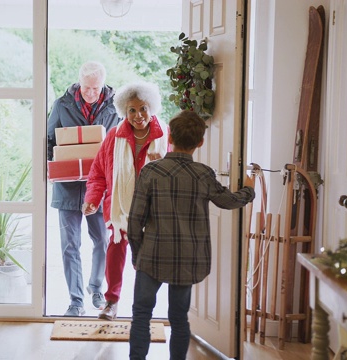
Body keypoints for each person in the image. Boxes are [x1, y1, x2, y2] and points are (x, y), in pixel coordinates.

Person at [127, 110, 256, 360]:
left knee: (141, 313)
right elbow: (228, 201)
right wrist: (248, 190)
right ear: (200, 142)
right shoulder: (203, 174)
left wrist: (137, 253)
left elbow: (135, 220)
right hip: (188, 257)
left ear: (170, 137)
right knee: (179, 317)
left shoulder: (151, 172)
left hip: (152, 254)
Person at [83, 81, 169, 321]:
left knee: (146, 258)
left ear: (151, 107)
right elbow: (98, 172)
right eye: (132, 110)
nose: (138, 115)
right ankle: (111, 302)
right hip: (121, 208)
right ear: (124, 112)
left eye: (142, 108)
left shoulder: (165, 134)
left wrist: (162, 162)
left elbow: (177, 171)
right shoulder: (114, 135)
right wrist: (92, 199)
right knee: (116, 249)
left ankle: (143, 307)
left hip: (153, 210)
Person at [47, 61, 120, 317]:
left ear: (103, 85)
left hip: (99, 187)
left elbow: (118, 146)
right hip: (67, 188)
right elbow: (48, 140)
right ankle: (75, 301)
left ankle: (95, 287)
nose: (91, 93)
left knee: (102, 240)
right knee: (70, 246)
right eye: (87, 88)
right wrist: (54, 168)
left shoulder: (114, 107)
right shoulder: (62, 105)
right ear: (79, 82)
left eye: (95, 88)